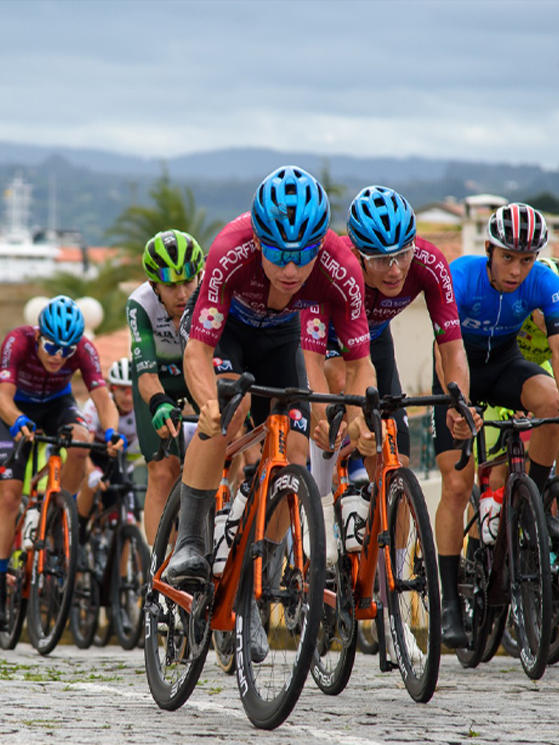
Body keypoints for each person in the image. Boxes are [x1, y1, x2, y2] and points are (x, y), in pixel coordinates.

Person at [165, 165, 379, 591]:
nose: (291, 269)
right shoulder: (231, 249)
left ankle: (261, 571)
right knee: (229, 410)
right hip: (227, 330)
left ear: (321, 245)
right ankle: (189, 542)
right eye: (279, 254)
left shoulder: (340, 266)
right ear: (259, 240)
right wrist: (207, 404)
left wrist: (357, 421)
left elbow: (359, 365)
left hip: (281, 335)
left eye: (304, 255)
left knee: (296, 450)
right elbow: (197, 351)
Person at [300, 185, 473, 662]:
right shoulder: (332, 268)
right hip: (326, 343)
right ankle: (323, 524)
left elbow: (452, 347)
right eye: (379, 259)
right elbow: (313, 361)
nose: (394, 269)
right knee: (339, 411)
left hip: (373, 344)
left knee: (393, 456)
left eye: (402, 254)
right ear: (357, 253)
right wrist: (323, 413)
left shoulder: (429, 264)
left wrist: (459, 403)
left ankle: (392, 597)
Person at [432, 202, 559, 648]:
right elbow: (444, 351)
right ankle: (450, 603)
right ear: (489, 249)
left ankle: (530, 507)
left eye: (526, 260)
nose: (517, 270)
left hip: (504, 363)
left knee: (552, 402)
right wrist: (458, 405)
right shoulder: (460, 277)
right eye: (508, 257)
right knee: (456, 485)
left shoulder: (544, 282)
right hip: (458, 366)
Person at [0, 295, 126, 629]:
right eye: (52, 346)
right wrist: (16, 420)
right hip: (14, 408)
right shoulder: (17, 341)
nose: (58, 356)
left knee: (82, 440)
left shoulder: (84, 349)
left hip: (57, 404)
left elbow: (103, 398)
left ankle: (60, 513)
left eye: (67, 350)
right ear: (38, 335)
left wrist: (112, 431)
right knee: (9, 496)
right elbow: (3, 396)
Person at [126, 229, 205, 544]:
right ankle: (160, 564)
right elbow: (146, 374)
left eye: (188, 282)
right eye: (171, 286)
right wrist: (159, 402)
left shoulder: (212, 294)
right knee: (162, 472)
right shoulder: (140, 304)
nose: (182, 294)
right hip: (158, 382)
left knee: (236, 446)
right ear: (154, 286)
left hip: (198, 373)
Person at [77, 357, 140, 540]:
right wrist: (91, 472)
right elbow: (84, 448)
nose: (128, 397)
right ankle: (79, 531)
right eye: (122, 390)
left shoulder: (140, 411)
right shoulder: (95, 406)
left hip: (119, 460)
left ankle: (123, 555)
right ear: (112, 388)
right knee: (91, 486)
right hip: (92, 455)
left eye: (132, 390)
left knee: (130, 521)